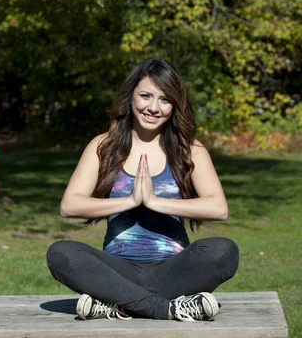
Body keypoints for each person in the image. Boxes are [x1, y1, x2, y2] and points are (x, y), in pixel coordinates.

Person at [46, 58, 239, 322]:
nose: (153, 107)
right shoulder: (103, 146)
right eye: (145, 96)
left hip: (173, 270)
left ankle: (116, 302)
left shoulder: (189, 149)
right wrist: (131, 200)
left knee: (224, 250)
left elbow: (218, 208)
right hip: (117, 269)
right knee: (60, 253)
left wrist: (155, 201)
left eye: (164, 99)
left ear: (174, 105)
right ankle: (168, 309)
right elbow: (70, 205)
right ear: (130, 98)